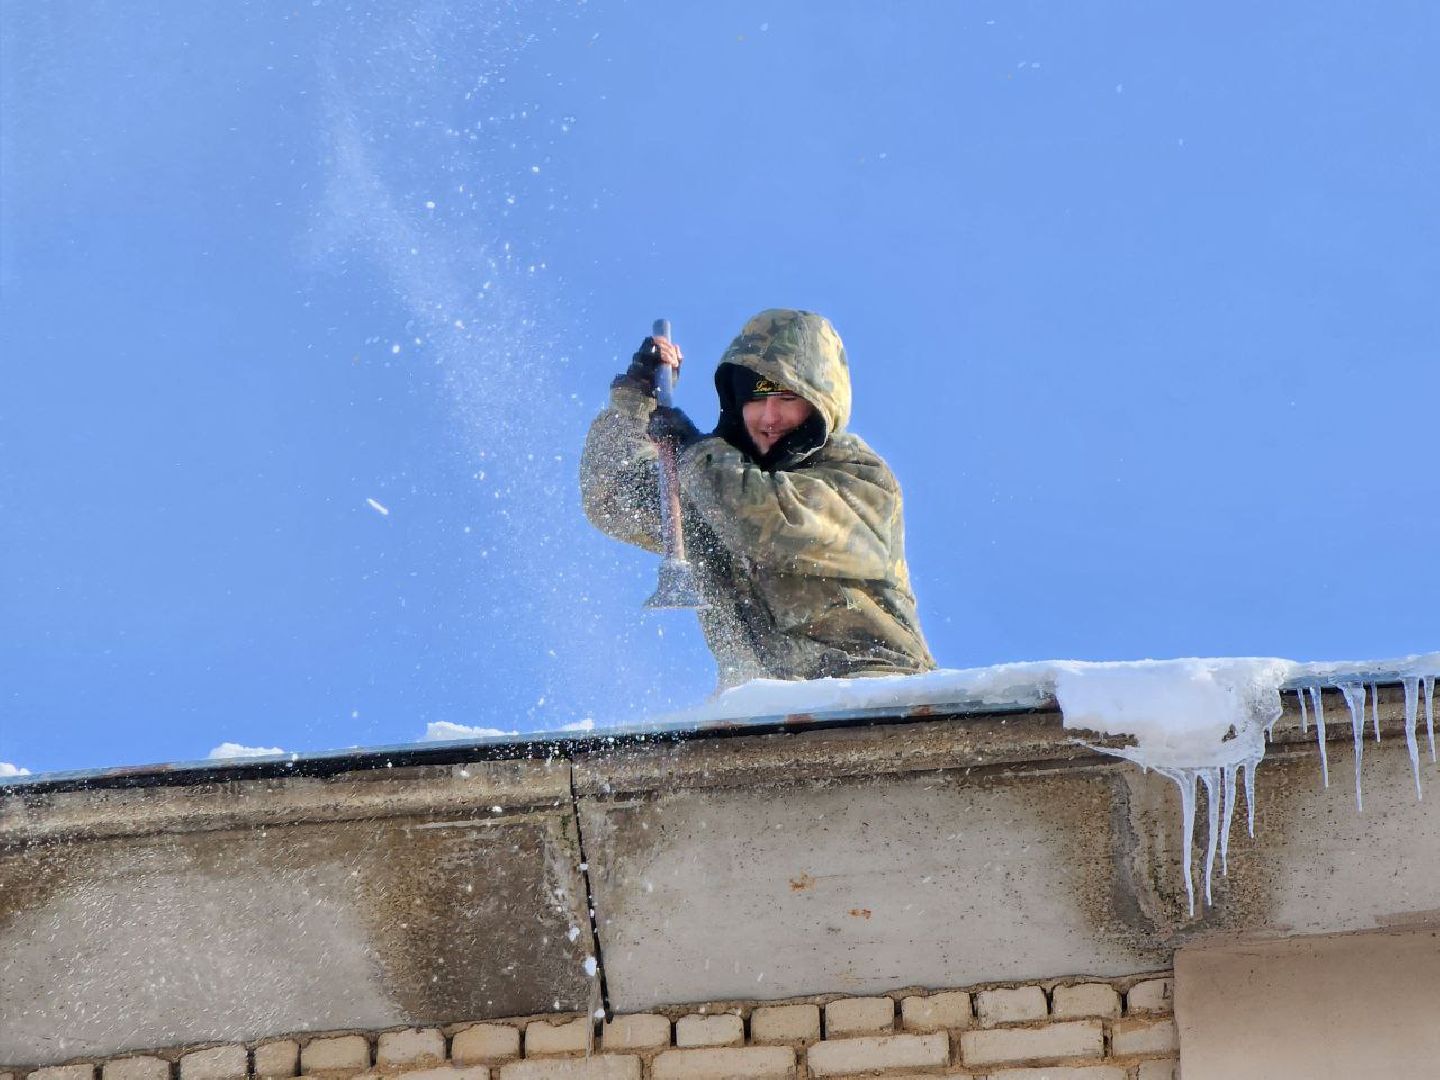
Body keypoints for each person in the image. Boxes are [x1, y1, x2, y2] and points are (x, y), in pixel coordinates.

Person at [580, 308, 935, 690]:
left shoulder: (860, 479)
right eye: (756, 398)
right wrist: (635, 402)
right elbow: (614, 497)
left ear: (819, 402)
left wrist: (693, 452)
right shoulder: (711, 485)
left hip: (878, 701)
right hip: (760, 721)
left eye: (785, 397)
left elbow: (769, 521)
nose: (769, 416)